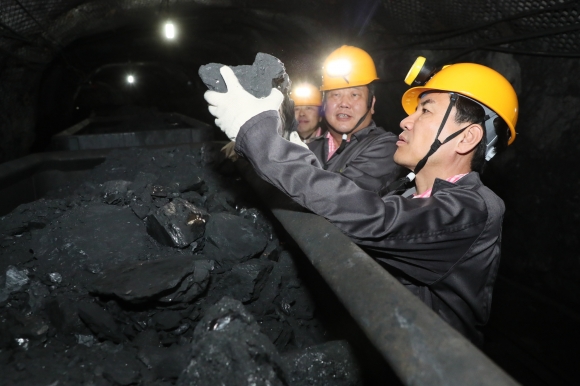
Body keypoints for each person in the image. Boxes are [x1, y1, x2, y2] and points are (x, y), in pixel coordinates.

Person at [204, 58, 518, 345]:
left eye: (425, 110)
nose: (407, 121)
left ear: (467, 138)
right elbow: (344, 203)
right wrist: (285, 136)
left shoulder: (474, 210)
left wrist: (260, 134)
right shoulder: (406, 191)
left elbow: (371, 216)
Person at [305, 46, 403, 193]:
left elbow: (343, 194)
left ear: (372, 104)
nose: (344, 103)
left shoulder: (386, 147)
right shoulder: (307, 149)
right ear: (324, 104)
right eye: (336, 95)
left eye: (354, 95)